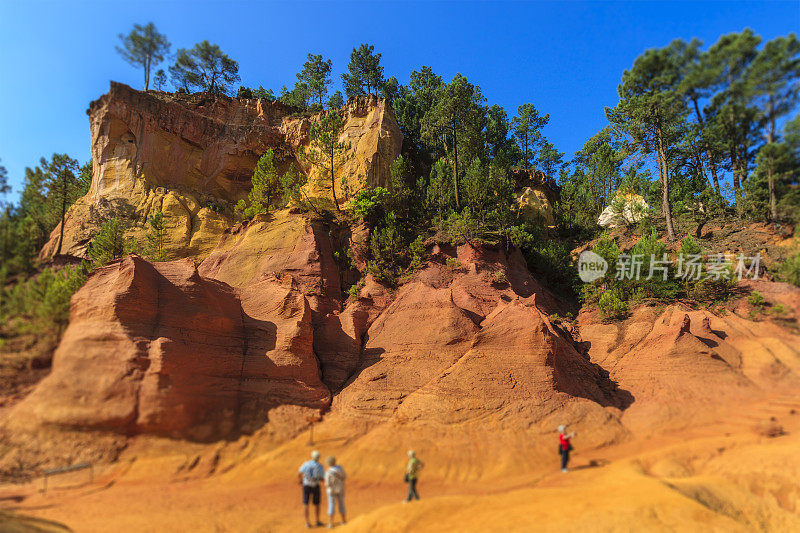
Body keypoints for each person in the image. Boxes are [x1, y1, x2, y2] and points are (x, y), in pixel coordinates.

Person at [298, 450, 325, 528]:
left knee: (305, 503)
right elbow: (322, 477)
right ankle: (317, 521)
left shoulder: (306, 464)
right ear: (318, 458)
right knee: (317, 504)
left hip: (306, 484)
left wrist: (300, 480)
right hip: (315, 485)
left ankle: (307, 523)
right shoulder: (320, 466)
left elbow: (300, 472)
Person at [324, 456, 347, 529]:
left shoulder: (328, 472)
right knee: (341, 504)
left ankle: (331, 524)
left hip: (331, 491)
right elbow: (345, 476)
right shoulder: (340, 468)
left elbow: (327, 484)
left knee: (331, 505)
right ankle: (344, 521)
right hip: (340, 489)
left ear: (329, 464)